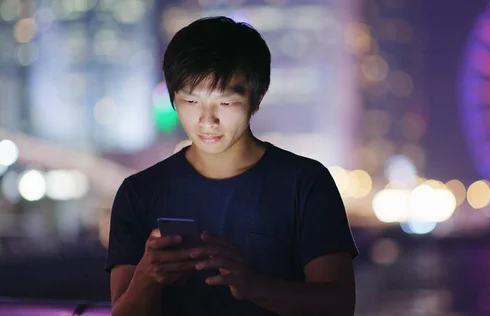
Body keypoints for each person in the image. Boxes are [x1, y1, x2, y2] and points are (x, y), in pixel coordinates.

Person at [105, 16, 359, 316]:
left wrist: (253, 285)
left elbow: (339, 306)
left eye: (225, 103)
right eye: (190, 101)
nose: (207, 120)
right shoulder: (140, 192)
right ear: (173, 99)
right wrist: (147, 276)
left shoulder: (305, 183)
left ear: (257, 96)